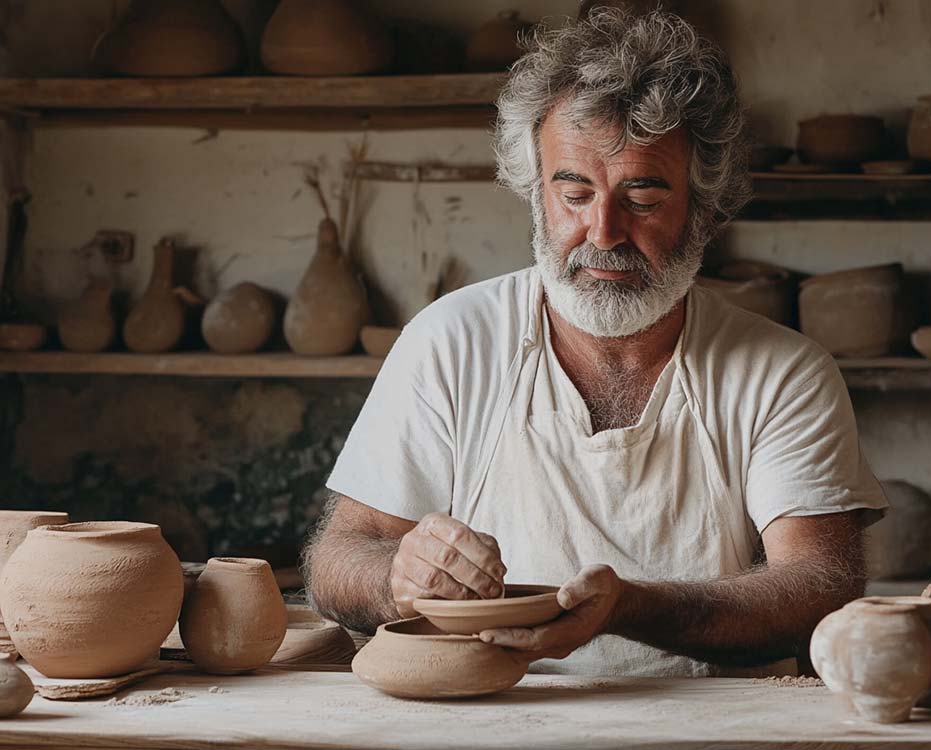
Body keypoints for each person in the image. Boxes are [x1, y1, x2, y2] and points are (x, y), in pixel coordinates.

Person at [303, 9, 887, 677]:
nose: (603, 232)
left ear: (703, 209)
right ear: (535, 194)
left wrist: (625, 609)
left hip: (716, 727)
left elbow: (818, 586)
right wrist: (398, 576)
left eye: (641, 199)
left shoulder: (782, 373)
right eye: (574, 193)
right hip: (497, 716)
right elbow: (338, 559)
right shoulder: (450, 342)